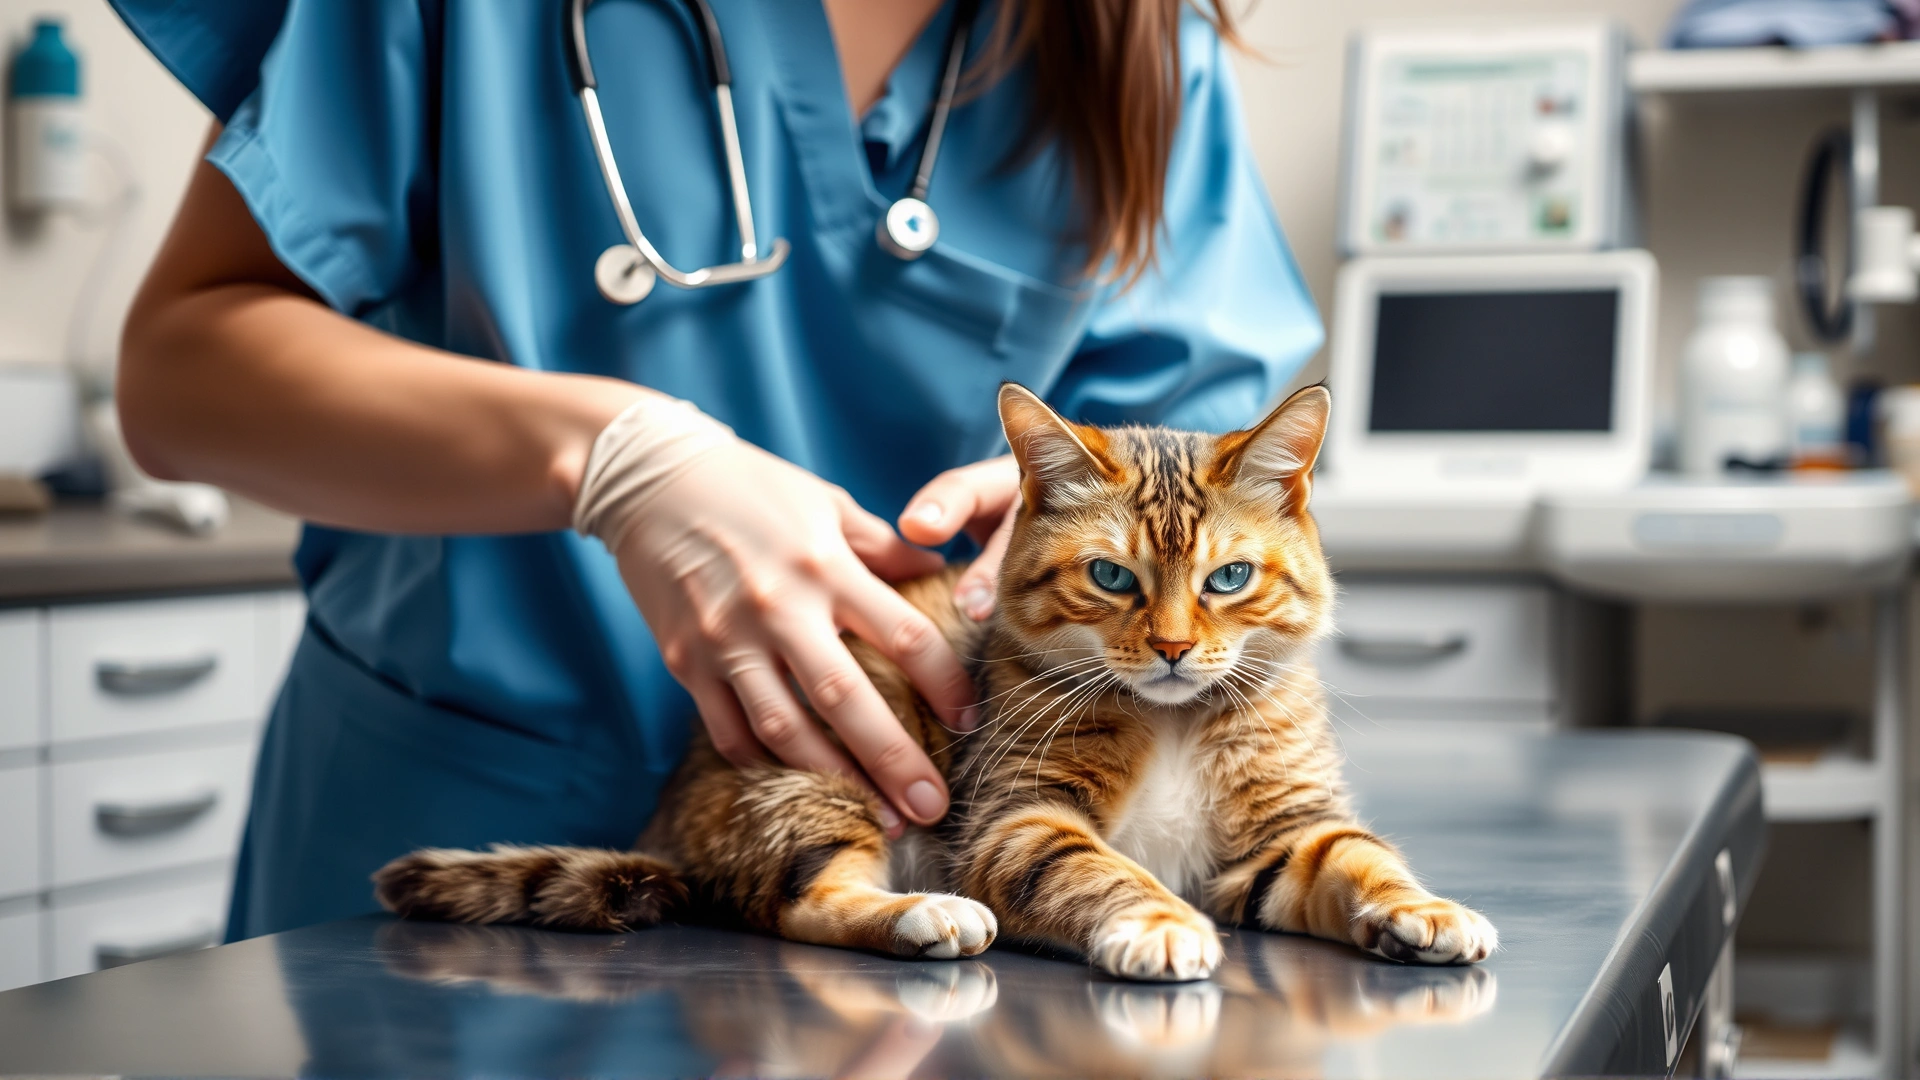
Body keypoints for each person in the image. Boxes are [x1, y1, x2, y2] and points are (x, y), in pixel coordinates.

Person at [107, 0, 1323, 940]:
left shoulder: (1134, 36)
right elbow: (181, 376)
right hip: (478, 815)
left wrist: (1064, 521)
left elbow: (1203, 445)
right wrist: (614, 458)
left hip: (927, 870)